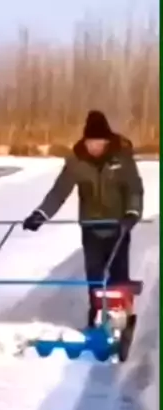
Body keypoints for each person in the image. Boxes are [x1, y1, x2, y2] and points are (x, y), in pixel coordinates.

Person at [22, 110, 144, 326]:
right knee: (95, 277)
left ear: (107, 141)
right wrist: (40, 214)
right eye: (90, 142)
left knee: (118, 276)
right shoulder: (77, 161)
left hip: (119, 225)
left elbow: (134, 189)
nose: (94, 147)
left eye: (99, 142)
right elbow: (59, 191)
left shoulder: (122, 158)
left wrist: (132, 214)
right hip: (91, 227)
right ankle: (96, 313)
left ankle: (121, 316)